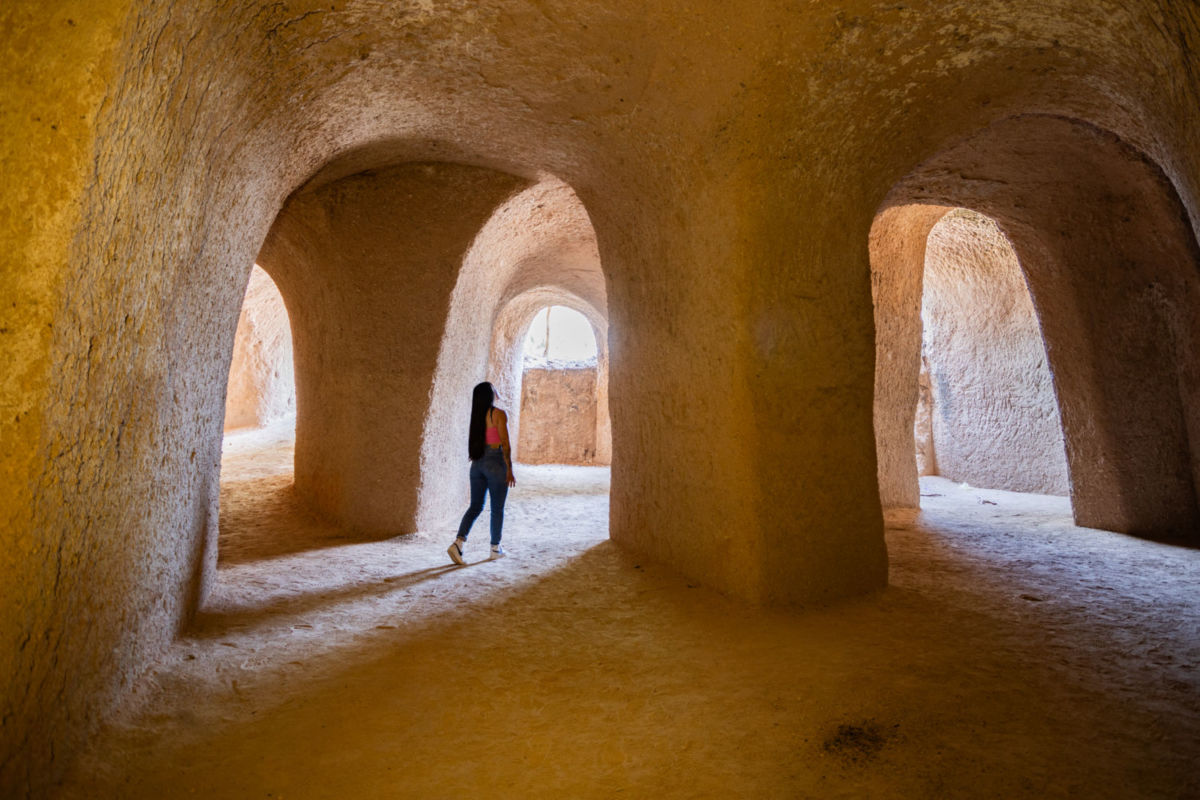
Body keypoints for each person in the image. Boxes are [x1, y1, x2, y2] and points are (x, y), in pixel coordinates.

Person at [447, 381, 516, 564]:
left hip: (477, 463)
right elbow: (506, 444)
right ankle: (495, 548)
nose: (497, 392)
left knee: (475, 506)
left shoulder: (476, 416)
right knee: (497, 508)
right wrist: (510, 469)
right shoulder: (498, 414)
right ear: (489, 395)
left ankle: (458, 543)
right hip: (495, 462)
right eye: (494, 390)